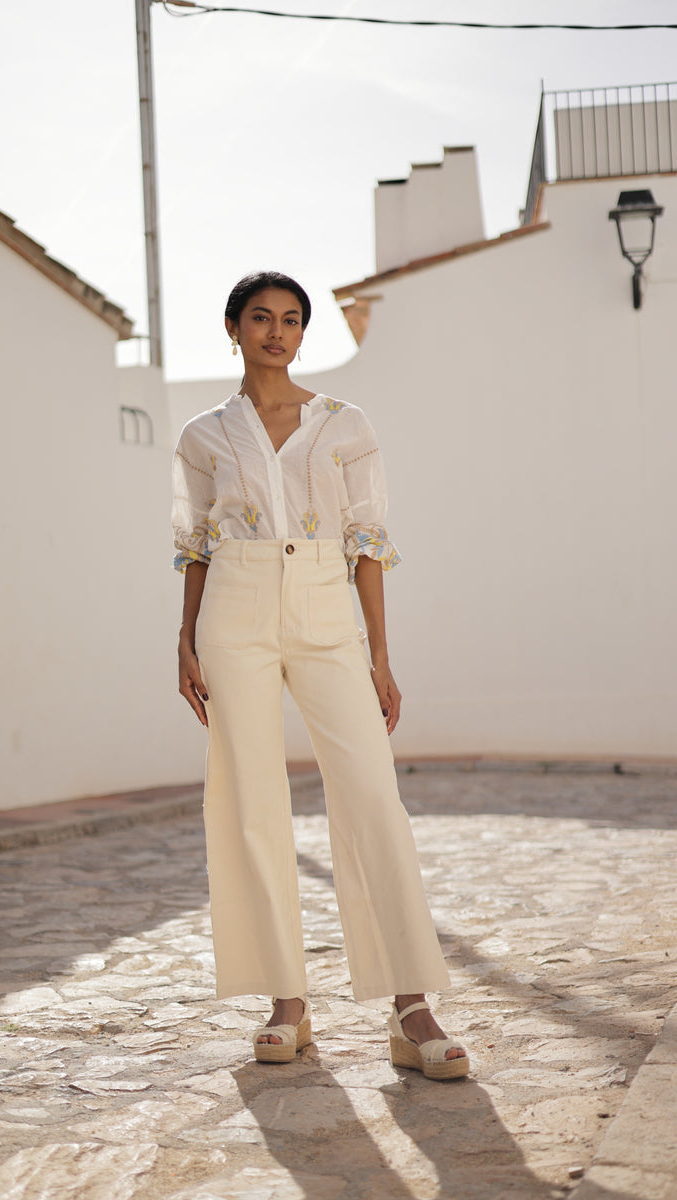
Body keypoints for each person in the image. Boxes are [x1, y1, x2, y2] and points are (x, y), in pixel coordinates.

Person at [172, 270, 468, 1080]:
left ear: (304, 333)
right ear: (231, 327)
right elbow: (195, 543)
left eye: (292, 319)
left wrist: (379, 654)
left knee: (372, 795)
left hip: (323, 607)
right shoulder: (203, 435)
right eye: (261, 318)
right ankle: (286, 1004)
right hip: (232, 608)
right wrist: (185, 637)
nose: (278, 331)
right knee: (249, 800)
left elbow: (368, 544)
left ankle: (411, 1007)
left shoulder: (346, 425)